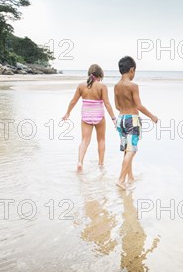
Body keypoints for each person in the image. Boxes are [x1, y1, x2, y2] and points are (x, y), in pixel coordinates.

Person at [114, 56, 158, 189]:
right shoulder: (133, 86)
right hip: (132, 120)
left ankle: (130, 177)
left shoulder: (116, 86)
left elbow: (117, 106)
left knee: (127, 150)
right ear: (132, 70)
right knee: (131, 150)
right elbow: (139, 106)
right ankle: (121, 179)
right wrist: (152, 116)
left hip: (120, 119)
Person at [62, 64, 117, 172]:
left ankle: (80, 162)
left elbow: (73, 101)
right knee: (101, 140)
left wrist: (67, 113)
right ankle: (101, 164)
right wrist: (113, 119)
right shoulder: (102, 87)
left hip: (86, 115)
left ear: (89, 74)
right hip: (99, 115)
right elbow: (107, 103)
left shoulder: (81, 86)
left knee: (84, 140)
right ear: (100, 75)